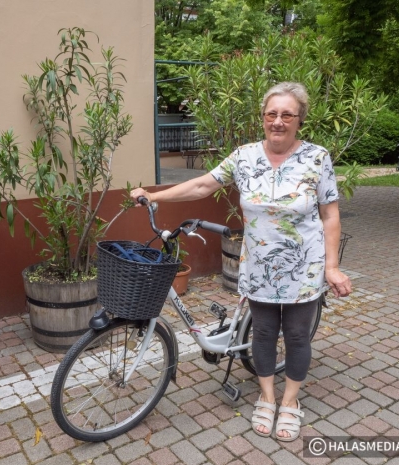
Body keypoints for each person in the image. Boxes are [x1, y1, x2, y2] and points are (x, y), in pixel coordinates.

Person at [131, 82, 352, 442]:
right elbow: (202, 185)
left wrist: (331, 267)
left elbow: (330, 214)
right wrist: (156, 196)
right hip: (259, 265)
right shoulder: (244, 156)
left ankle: (290, 401)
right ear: (262, 117)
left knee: (296, 335)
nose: (278, 121)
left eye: (287, 115)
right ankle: (266, 397)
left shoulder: (317, 157)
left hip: (304, 265)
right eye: (271, 114)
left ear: (300, 120)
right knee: (263, 333)